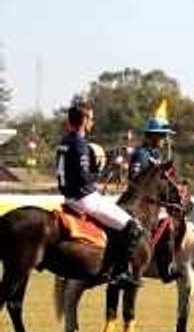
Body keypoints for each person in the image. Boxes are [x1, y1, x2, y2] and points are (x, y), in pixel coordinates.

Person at [55, 99, 143, 289]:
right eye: (91, 119)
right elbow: (84, 177)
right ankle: (120, 273)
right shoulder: (80, 144)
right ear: (85, 120)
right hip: (85, 199)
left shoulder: (64, 142)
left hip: (69, 197)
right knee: (133, 227)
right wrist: (102, 170)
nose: (92, 123)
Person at [129, 116, 181, 282]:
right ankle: (166, 268)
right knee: (167, 224)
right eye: (162, 136)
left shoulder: (155, 154)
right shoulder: (141, 154)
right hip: (139, 204)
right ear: (152, 136)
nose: (165, 140)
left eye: (165, 136)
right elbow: (134, 179)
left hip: (153, 203)